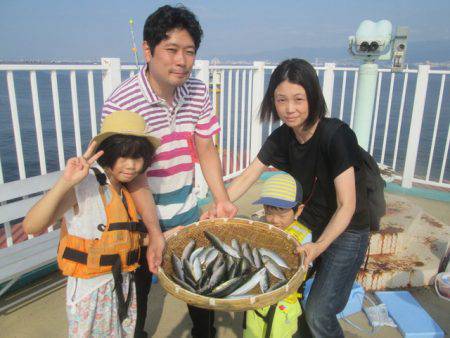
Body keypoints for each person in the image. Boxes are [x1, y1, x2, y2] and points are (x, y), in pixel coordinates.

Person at [101, 5, 238, 337]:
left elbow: (206, 147)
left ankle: (202, 333)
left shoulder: (198, 92)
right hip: (138, 214)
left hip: (186, 206)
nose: (182, 60)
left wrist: (221, 200)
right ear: (148, 50)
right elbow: (134, 174)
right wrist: (155, 233)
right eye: (172, 50)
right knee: (139, 294)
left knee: (201, 284)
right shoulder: (123, 103)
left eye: (189, 52)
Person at [219, 58, 370, 338]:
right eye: (281, 100)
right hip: (309, 219)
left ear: (313, 97)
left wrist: (320, 246)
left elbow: (347, 204)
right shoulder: (281, 138)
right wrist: (219, 205)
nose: (290, 109)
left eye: (299, 99)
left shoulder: (337, 136)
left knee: (319, 312)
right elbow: (249, 175)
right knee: (285, 287)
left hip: (348, 229)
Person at [22, 111, 162, 337]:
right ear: (107, 153)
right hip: (91, 290)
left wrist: (167, 235)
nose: (131, 166)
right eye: (123, 156)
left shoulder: (124, 190)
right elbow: (31, 226)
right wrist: (65, 182)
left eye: (137, 158)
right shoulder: (85, 185)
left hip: (123, 286)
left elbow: (122, 237)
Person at [243, 173, 311, 338]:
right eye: (269, 212)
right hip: (257, 300)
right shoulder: (264, 229)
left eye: (281, 215)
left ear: (298, 211)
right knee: (252, 332)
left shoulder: (304, 236)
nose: (274, 220)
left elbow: (303, 270)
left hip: (284, 304)